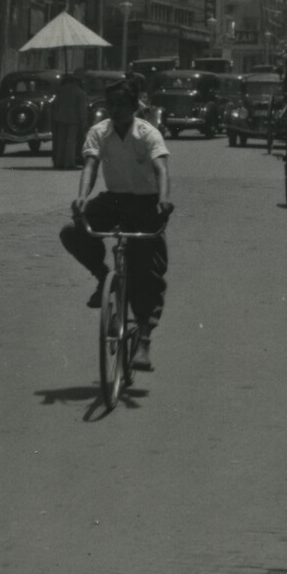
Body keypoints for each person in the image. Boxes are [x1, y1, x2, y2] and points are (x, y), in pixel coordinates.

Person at [60, 78, 173, 368]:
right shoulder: (99, 132)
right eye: (111, 104)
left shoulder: (149, 134)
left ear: (135, 107)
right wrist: (82, 198)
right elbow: (90, 166)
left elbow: (161, 169)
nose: (116, 110)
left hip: (146, 203)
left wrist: (163, 200)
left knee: (146, 272)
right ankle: (102, 277)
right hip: (114, 200)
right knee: (74, 231)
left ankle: (144, 340)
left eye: (122, 105)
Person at [49, 69, 90, 171]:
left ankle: (59, 162)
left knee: (61, 141)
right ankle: (69, 163)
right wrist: (84, 122)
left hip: (60, 118)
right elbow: (82, 110)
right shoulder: (80, 93)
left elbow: (56, 104)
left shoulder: (62, 89)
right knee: (71, 141)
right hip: (73, 120)